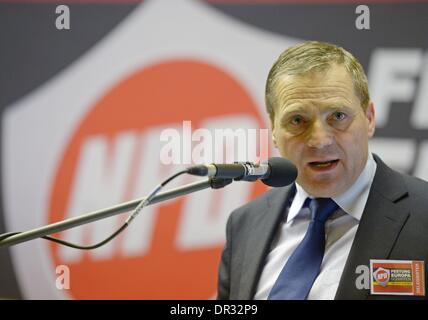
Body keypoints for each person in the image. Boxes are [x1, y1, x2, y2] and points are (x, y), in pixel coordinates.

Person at [217, 41, 428, 300]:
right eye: (297, 120)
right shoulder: (244, 225)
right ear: (273, 130)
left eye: (338, 116)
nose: (319, 140)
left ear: (369, 118)